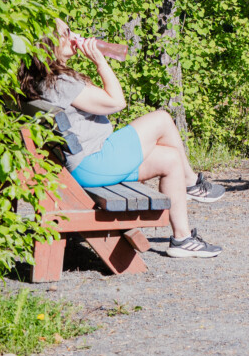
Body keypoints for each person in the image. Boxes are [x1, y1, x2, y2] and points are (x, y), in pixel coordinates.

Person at [17, 19, 224, 258]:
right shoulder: (61, 83)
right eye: (66, 32)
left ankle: (183, 239)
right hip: (93, 163)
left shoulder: (42, 79)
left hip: (85, 162)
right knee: (162, 119)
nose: (74, 35)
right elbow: (117, 102)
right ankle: (192, 183)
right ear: (49, 43)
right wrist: (100, 61)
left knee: (170, 158)